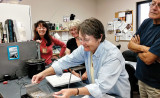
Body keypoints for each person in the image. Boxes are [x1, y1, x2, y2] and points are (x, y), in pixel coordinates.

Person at [32, 18, 130, 98]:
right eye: (80, 39)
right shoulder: (85, 48)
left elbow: (100, 87)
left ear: (100, 37)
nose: (82, 43)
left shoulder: (112, 55)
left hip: (114, 95)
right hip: (97, 92)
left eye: (86, 39)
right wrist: (43, 73)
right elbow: (67, 60)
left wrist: (74, 91)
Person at [128, 0, 160, 97]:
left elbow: (148, 59)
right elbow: (130, 45)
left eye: (159, 5)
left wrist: (137, 48)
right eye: (153, 3)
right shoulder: (146, 22)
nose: (154, 7)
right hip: (141, 79)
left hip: (155, 85)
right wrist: (145, 48)